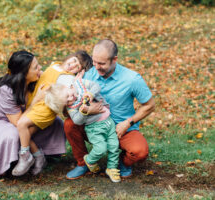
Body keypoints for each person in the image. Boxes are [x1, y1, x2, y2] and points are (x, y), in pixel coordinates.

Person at [64, 39, 155, 180]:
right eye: (94, 62)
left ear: (114, 59)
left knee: (139, 152)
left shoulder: (132, 79)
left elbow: (150, 105)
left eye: (101, 63)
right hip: (94, 125)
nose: (96, 67)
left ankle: (123, 162)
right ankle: (83, 163)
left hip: (121, 129)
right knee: (69, 124)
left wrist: (128, 123)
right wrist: (87, 109)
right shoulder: (88, 74)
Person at [0, 50, 66, 178]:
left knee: (54, 122)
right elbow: (19, 123)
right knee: (13, 133)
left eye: (38, 65)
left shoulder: (35, 80)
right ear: (24, 73)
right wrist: (35, 101)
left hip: (18, 119)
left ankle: (43, 155)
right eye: (35, 67)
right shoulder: (6, 89)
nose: (40, 68)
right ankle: (27, 157)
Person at [12, 51, 93, 176]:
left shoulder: (67, 78)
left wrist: (78, 81)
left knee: (21, 124)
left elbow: (75, 91)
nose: (73, 65)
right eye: (74, 60)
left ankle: (25, 156)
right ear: (70, 56)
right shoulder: (56, 64)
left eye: (78, 67)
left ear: (79, 71)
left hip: (46, 109)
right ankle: (39, 157)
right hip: (35, 101)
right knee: (24, 132)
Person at [45, 78, 121, 183]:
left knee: (114, 145)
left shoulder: (80, 84)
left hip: (108, 121)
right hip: (95, 127)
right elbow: (77, 120)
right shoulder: (72, 107)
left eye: (68, 95)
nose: (71, 98)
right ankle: (88, 160)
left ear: (66, 87)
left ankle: (111, 168)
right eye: (66, 101)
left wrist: (91, 93)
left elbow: (96, 86)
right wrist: (85, 112)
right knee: (101, 148)